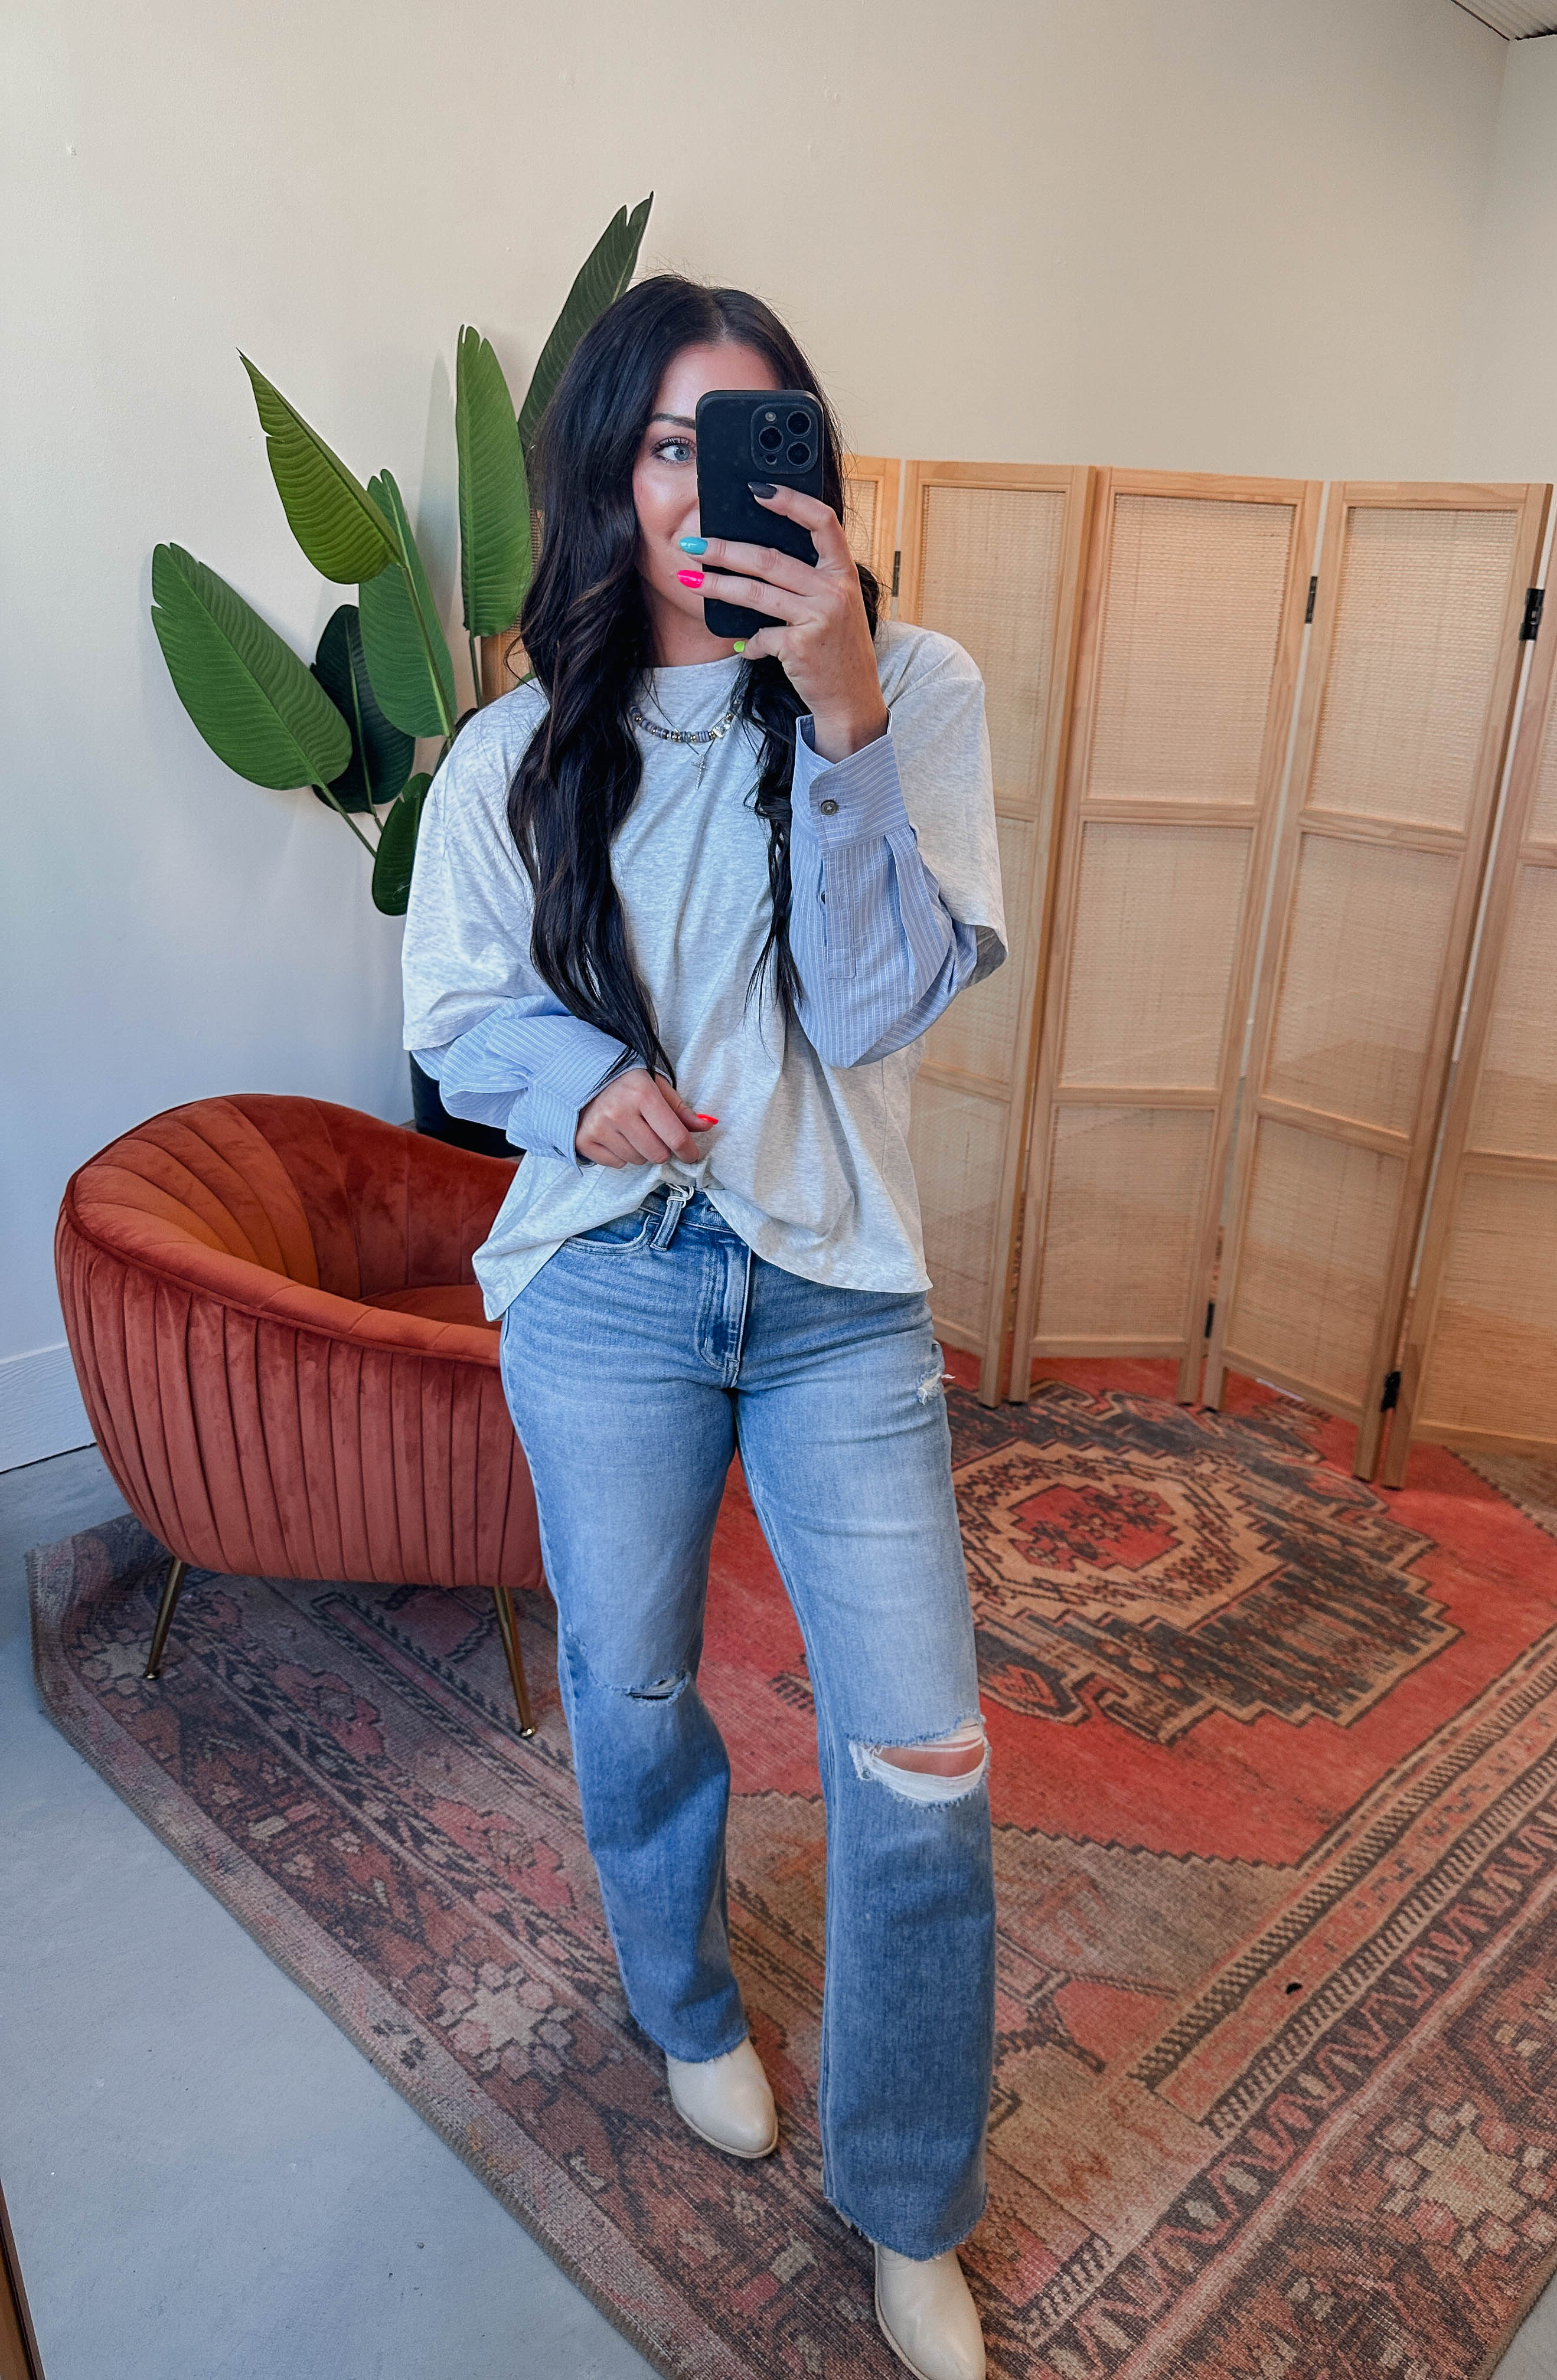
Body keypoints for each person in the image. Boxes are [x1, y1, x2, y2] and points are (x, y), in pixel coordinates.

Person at [402, 274, 1003, 2380]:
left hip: (839, 1295)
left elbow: (872, 1007)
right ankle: (683, 2005)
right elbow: (456, 1012)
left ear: (808, 470)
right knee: (639, 1681)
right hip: (610, 1283)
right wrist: (582, 1087)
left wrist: (836, 715)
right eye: (666, 443)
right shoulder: (511, 748)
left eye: (743, 442)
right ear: (609, 469)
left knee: (924, 1752)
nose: (698, 488)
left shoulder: (913, 688)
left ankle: (912, 2201)